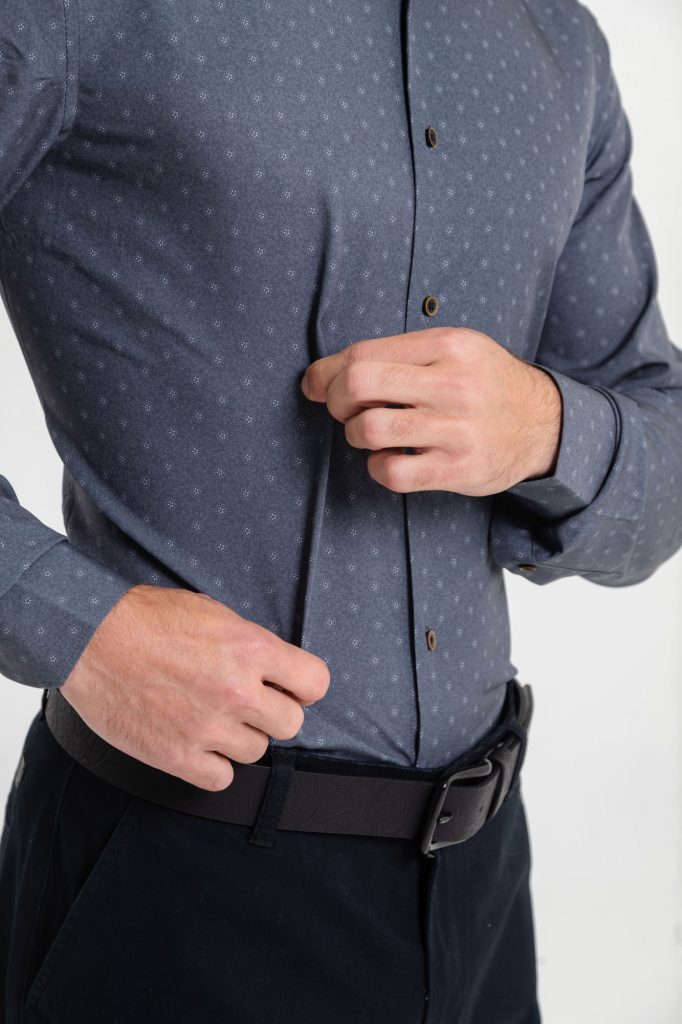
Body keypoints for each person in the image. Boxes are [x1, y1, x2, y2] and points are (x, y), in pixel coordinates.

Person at [1, 1, 680, 1022]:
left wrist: (547, 426)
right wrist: (75, 624)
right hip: (176, 875)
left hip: (484, 889)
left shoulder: (557, 40)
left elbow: (662, 459)